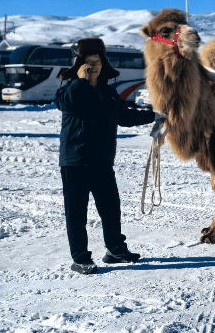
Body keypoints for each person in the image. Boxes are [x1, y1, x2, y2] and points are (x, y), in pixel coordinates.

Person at [54, 38, 154, 274]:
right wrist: (80, 81)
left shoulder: (108, 93)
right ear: (79, 65)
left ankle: (115, 250)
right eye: (88, 62)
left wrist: (156, 115)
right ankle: (80, 258)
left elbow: (125, 117)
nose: (94, 66)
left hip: (102, 162)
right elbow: (66, 105)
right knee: (77, 213)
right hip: (75, 161)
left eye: (97, 61)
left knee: (110, 208)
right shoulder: (69, 88)